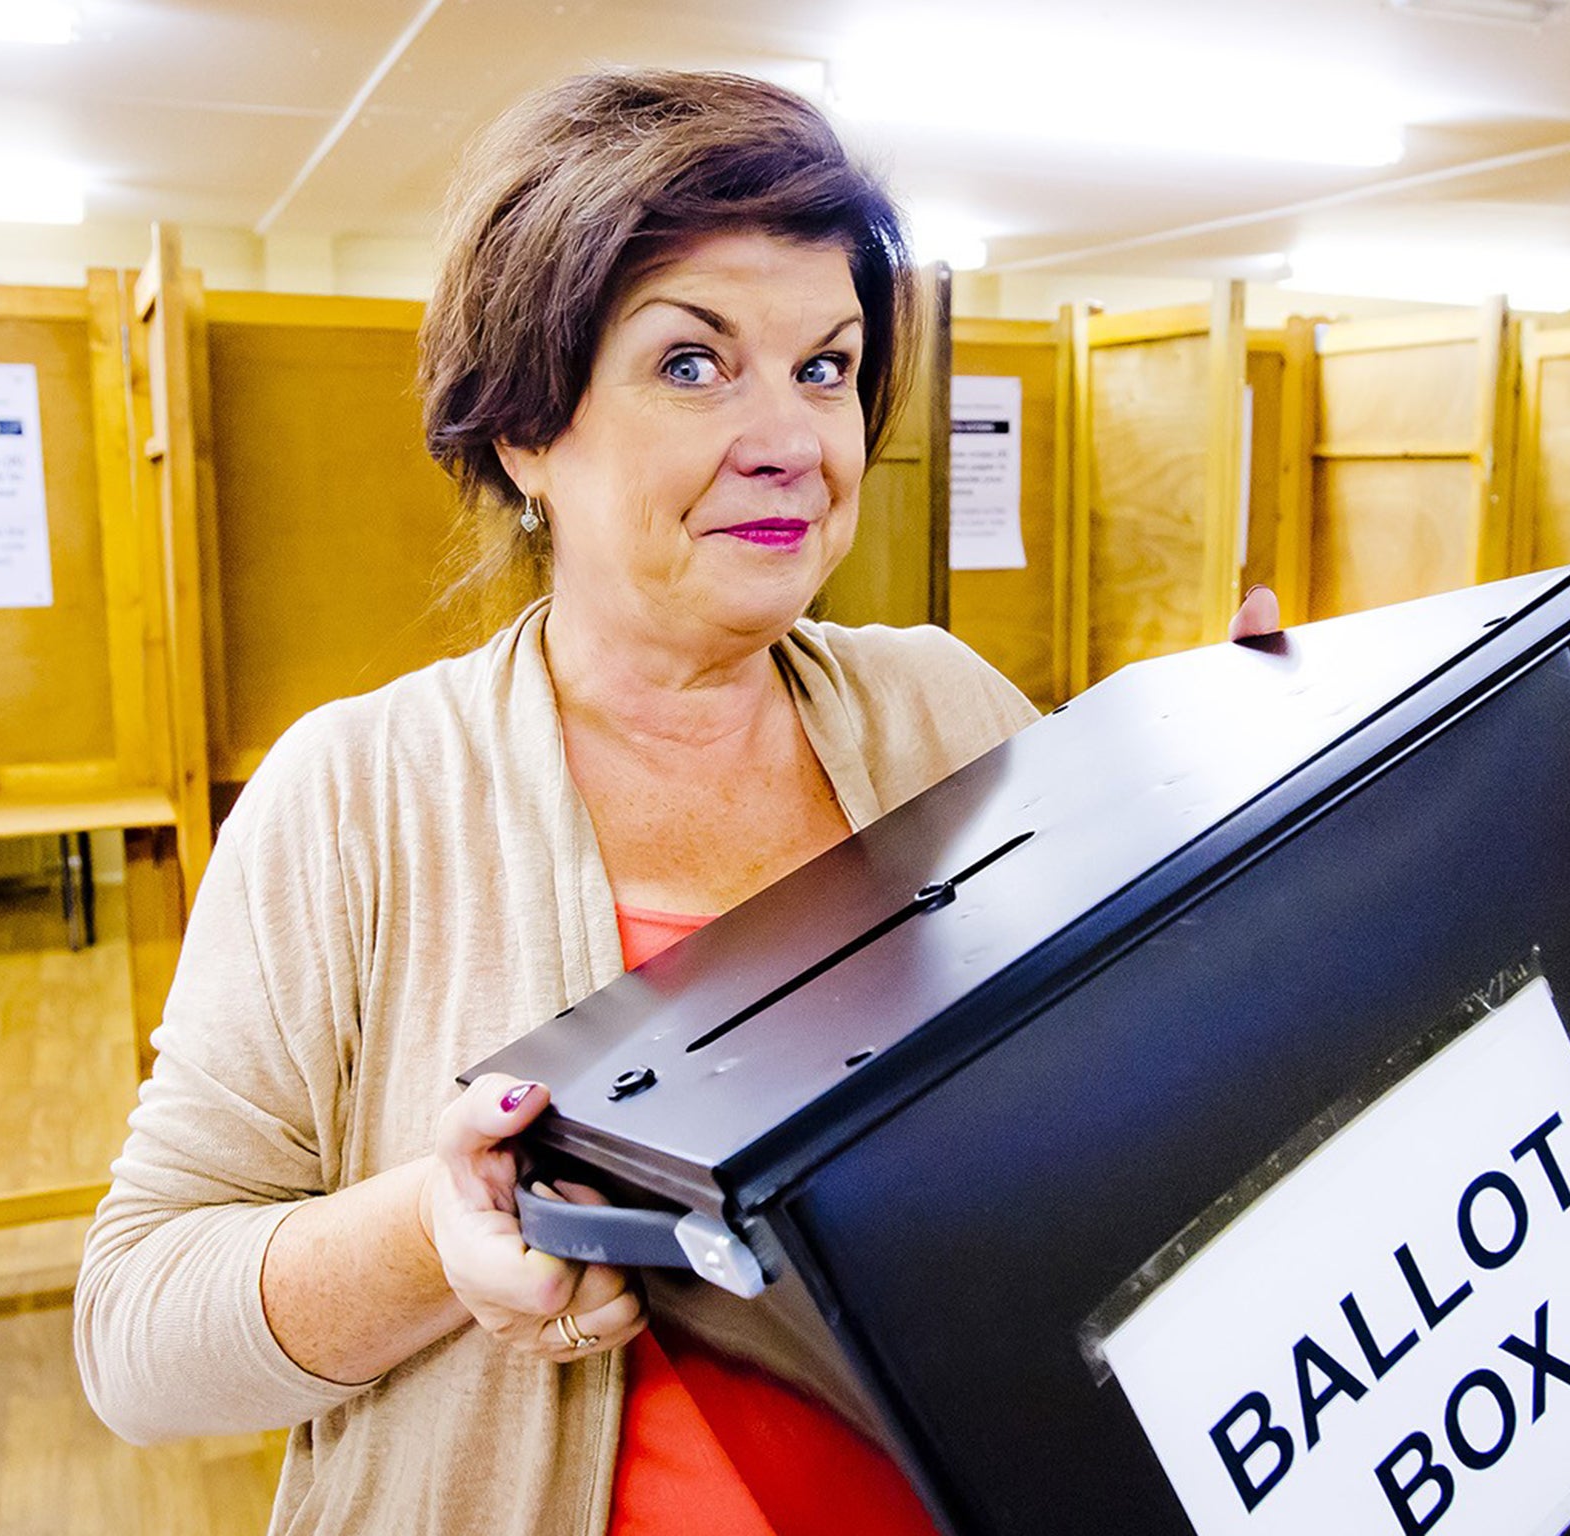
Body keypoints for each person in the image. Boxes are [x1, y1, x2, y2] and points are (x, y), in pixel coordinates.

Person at [75, 68, 1278, 1536]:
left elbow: (1120, 1096)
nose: (792, 440)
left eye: (827, 366)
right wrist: (436, 1237)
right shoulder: (357, 798)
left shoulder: (946, 714)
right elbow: (136, 1333)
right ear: (526, 426)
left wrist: (1242, 825)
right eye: (694, 365)